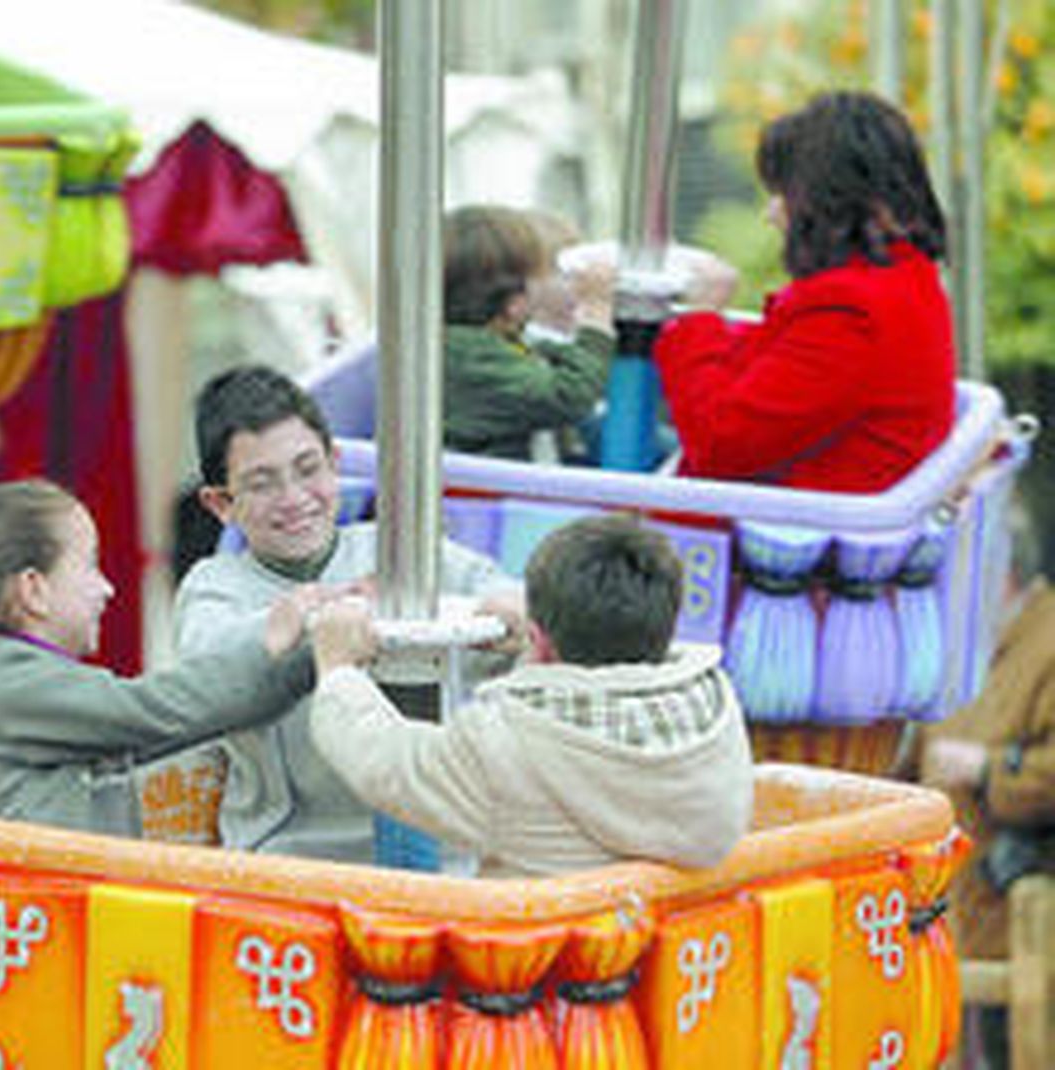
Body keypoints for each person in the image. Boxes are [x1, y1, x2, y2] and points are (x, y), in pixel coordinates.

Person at [175, 365, 526, 863]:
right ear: (220, 504)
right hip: (294, 860)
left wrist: (510, 610)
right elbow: (207, 662)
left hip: (445, 855)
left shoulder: (403, 554)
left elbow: (500, 591)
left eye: (307, 469)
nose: (294, 499)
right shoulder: (216, 586)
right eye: (261, 483)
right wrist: (303, 616)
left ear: (335, 463)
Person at [309, 514, 753, 878]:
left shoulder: (502, 745)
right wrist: (535, 648)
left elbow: (392, 767)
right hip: (672, 965)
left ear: (539, 639)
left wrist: (338, 670)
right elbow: (601, 688)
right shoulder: (717, 708)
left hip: (541, 972)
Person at [0, 479, 321, 834]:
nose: (107, 588)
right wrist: (302, 652)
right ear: (33, 590)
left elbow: (147, 735)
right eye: (89, 565)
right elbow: (159, 710)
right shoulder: (12, 685)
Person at [655, 90, 955, 493]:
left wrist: (699, 320)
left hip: (766, 538)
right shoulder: (904, 276)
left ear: (826, 200)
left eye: (782, 194)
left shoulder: (847, 313)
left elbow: (720, 444)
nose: (772, 214)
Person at [905, 505, 1055, 1070]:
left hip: (1025, 918)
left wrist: (989, 769)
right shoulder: (967, 645)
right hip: (951, 917)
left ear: (1000, 573)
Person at [441, 205, 616, 462]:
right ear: (514, 300)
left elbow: (545, 354)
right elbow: (569, 396)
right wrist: (597, 316)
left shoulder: (485, 342)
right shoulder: (470, 356)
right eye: (543, 275)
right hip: (482, 494)